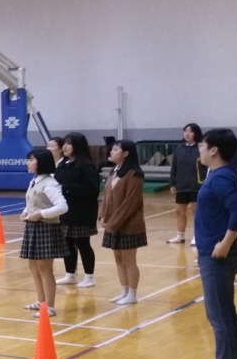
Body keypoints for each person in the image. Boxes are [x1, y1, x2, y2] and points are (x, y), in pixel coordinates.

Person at [190, 129, 237, 359]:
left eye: (202, 145)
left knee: (217, 313)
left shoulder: (222, 177)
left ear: (214, 150)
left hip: (217, 257)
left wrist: (225, 243)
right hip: (214, 253)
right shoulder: (217, 175)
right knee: (225, 310)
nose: (199, 149)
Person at [19, 150, 69, 318]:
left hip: (46, 228)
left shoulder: (50, 183)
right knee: (33, 266)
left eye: (31, 160)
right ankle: (41, 302)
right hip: (33, 227)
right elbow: (32, 202)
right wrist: (26, 212)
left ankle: (50, 307)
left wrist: (41, 214)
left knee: (45, 269)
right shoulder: (34, 181)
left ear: (40, 162)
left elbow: (62, 206)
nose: (28, 163)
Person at [98, 140, 146, 305]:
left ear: (125, 153)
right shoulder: (113, 172)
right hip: (113, 224)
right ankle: (124, 290)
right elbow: (106, 197)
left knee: (129, 260)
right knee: (118, 258)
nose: (111, 152)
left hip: (129, 225)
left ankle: (132, 294)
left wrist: (112, 223)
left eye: (115, 149)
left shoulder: (134, 174)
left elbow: (130, 204)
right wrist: (102, 215)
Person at [55, 133, 101, 289]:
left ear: (78, 146)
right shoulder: (63, 164)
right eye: (64, 143)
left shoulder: (87, 166)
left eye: (69, 143)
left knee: (83, 244)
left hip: (82, 212)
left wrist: (68, 188)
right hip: (65, 211)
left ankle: (89, 277)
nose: (65, 146)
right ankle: (70, 274)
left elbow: (92, 189)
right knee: (67, 243)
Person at [168, 123, 203, 245]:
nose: (187, 134)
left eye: (190, 131)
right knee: (179, 211)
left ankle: (197, 236)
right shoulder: (179, 148)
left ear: (196, 134)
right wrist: (173, 184)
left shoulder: (200, 148)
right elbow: (174, 167)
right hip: (182, 186)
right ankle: (180, 235)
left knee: (197, 212)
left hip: (196, 186)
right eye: (185, 131)